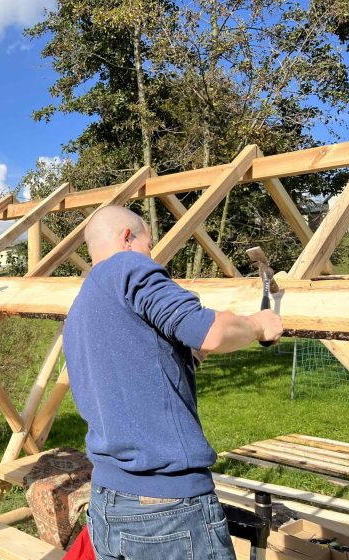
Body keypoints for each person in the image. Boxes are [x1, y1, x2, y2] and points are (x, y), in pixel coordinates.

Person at [63, 206, 282, 560]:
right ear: (127, 237)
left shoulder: (82, 305)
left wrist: (187, 357)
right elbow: (210, 332)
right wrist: (258, 325)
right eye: (150, 244)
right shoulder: (128, 266)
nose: (152, 257)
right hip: (166, 510)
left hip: (108, 501)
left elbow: (134, 369)